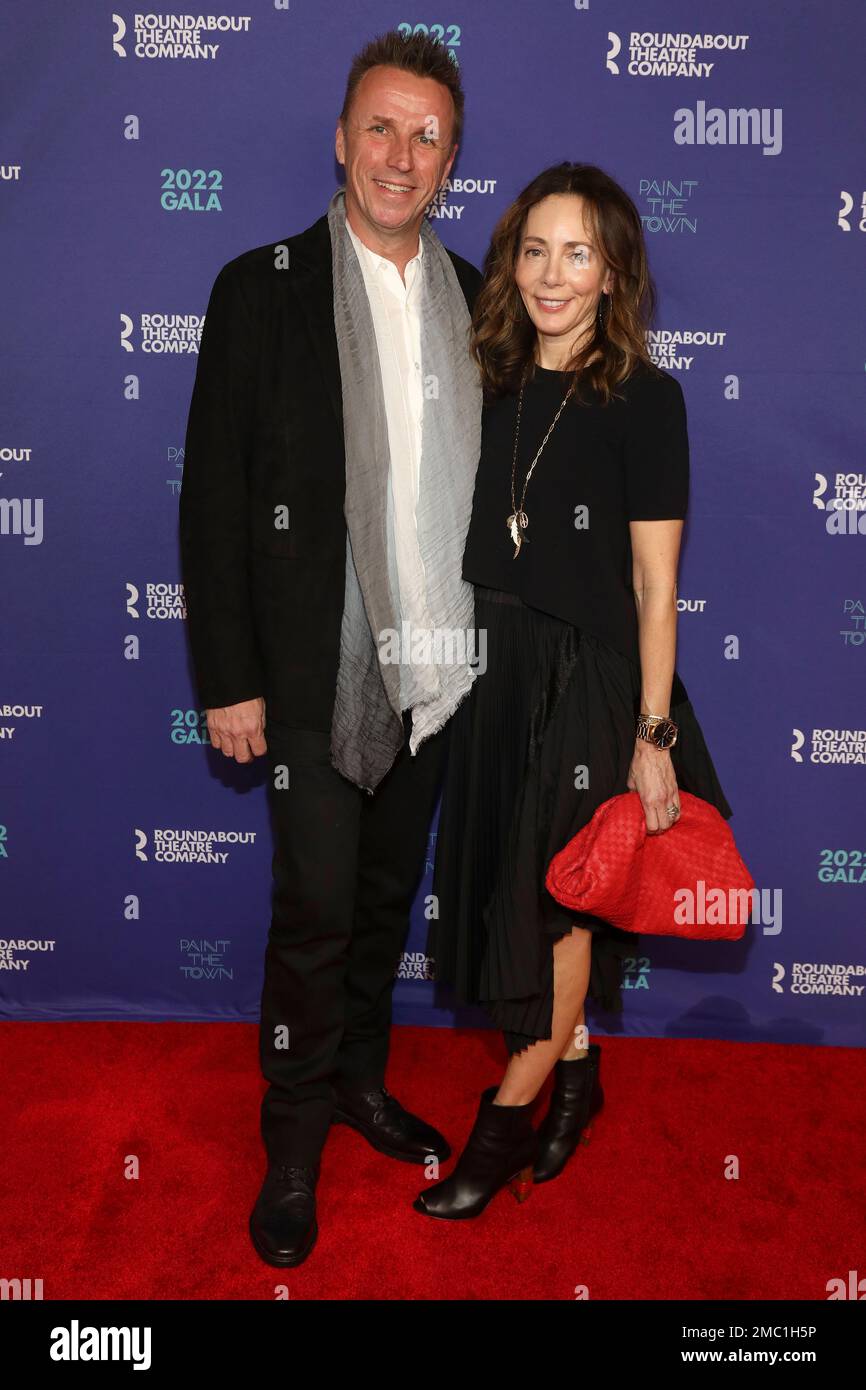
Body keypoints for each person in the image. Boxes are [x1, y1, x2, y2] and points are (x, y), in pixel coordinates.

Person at [179, 30, 483, 1266]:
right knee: (309, 912)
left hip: (435, 662)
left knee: (376, 900)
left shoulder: (476, 298)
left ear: (451, 158)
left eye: (426, 135)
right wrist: (230, 678)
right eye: (380, 127)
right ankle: (292, 1139)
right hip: (310, 665)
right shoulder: (260, 287)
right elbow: (212, 496)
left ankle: (359, 1078)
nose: (398, 155)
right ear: (340, 137)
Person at [414, 162, 734, 1220]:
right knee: (522, 899)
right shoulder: (491, 380)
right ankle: (579, 1078)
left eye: (578, 252)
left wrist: (651, 736)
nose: (552, 274)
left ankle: (495, 1137)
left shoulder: (645, 398)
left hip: (589, 686)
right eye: (535, 249)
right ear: (511, 260)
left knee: (552, 908)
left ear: (612, 273)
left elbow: (654, 586)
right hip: (497, 676)